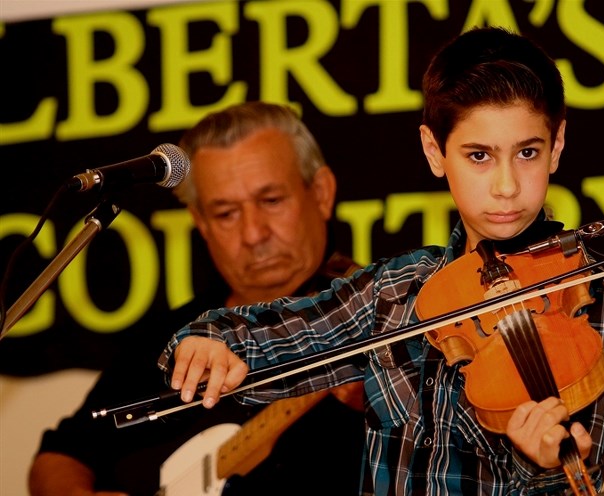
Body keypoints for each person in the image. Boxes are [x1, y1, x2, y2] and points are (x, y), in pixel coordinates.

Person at [159, 27, 604, 495]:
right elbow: (288, 333)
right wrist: (207, 340)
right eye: (479, 156)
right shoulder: (394, 289)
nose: (506, 185)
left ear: (558, 146)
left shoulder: (587, 294)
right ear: (434, 151)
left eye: (527, 152)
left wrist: (542, 466)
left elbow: (581, 475)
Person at [28, 101, 366, 496]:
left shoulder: (372, 311)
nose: (253, 233)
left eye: (271, 201)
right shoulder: (172, 332)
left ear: (322, 193)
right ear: (200, 224)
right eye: (226, 213)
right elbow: (60, 454)